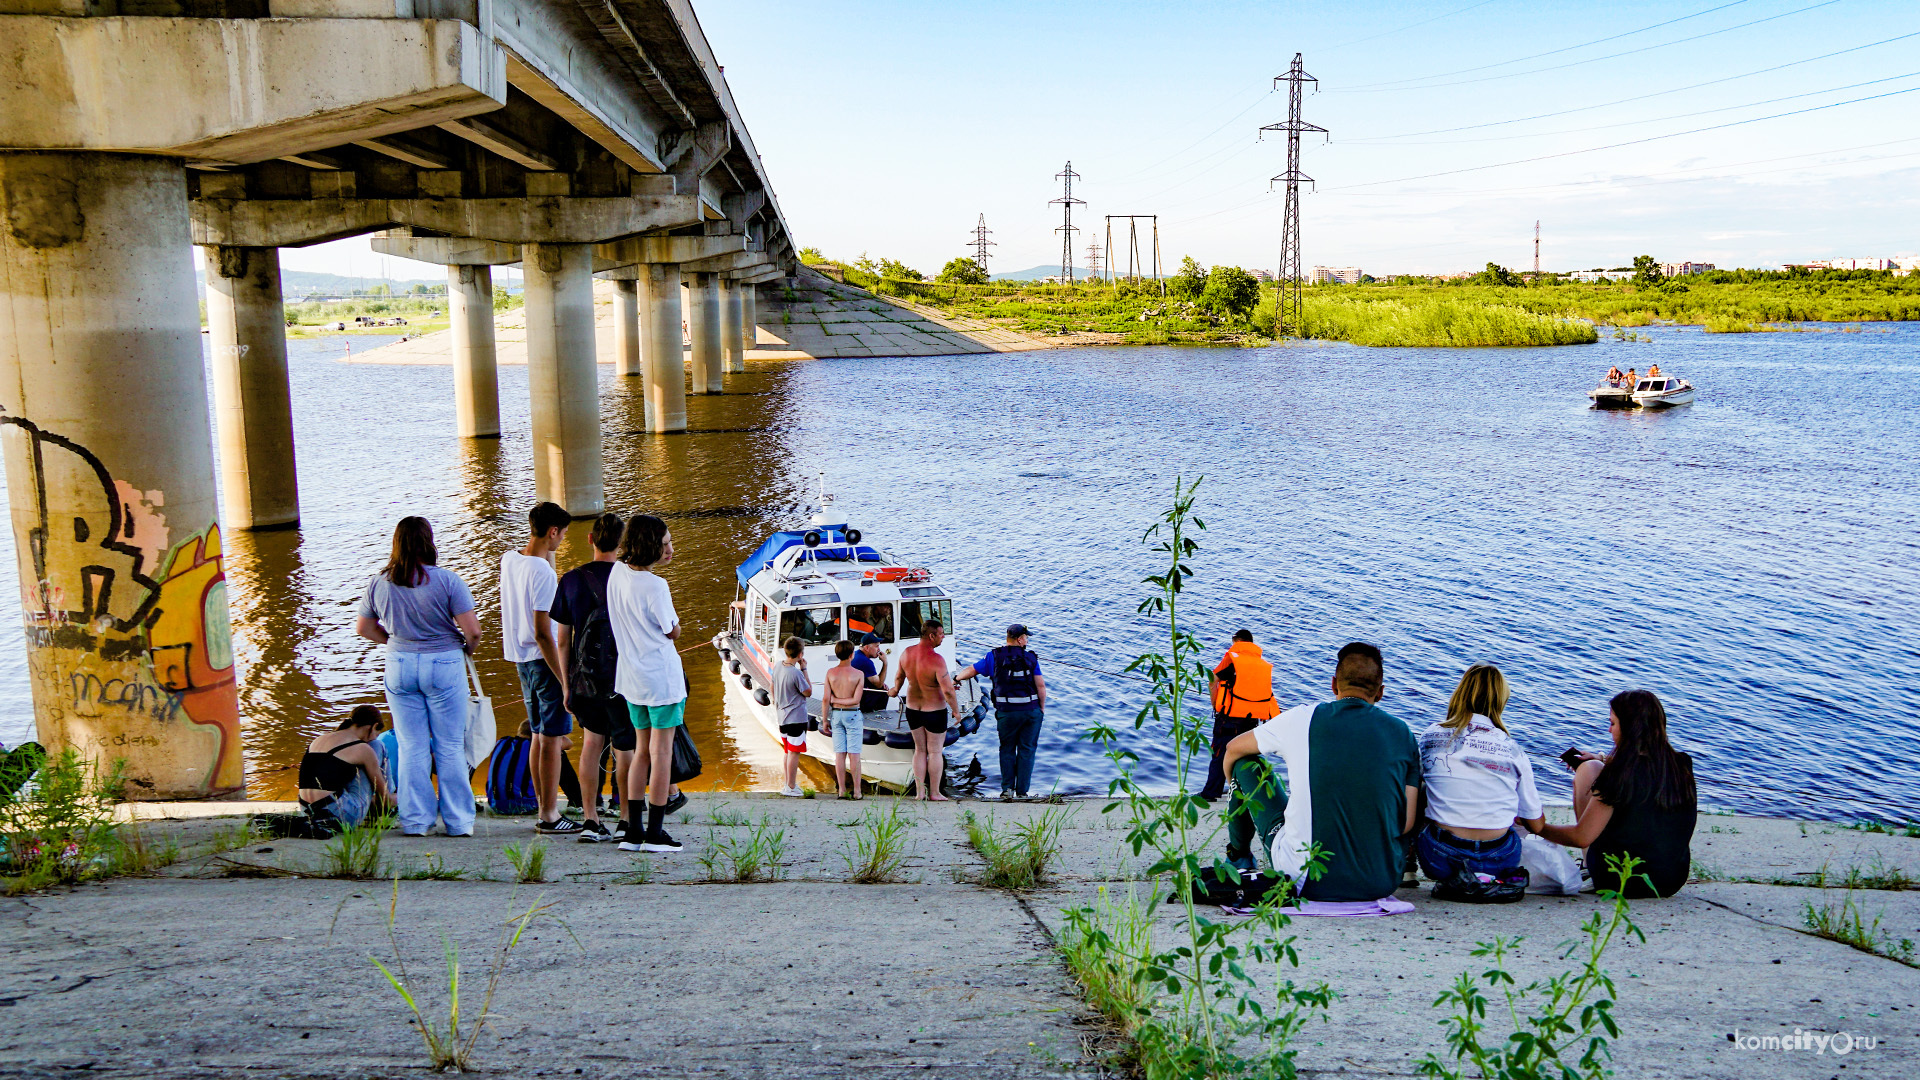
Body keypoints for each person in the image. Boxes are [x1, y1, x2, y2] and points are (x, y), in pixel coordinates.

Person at [1220, 642, 1422, 903]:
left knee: (1246, 765)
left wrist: (1239, 794)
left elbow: (1233, 749)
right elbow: (1405, 822)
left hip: (1304, 880)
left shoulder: (1303, 718)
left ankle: (1238, 855)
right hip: (1380, 882)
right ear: (1381, 692)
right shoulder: (1402, 732)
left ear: (1333, 684)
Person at [356, 516, 482, 837]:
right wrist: (465, 649)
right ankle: (458, 822)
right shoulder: (448, 581)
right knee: (450, 745)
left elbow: (364, 628)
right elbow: (474, 632)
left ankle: (415, 821)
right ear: (429, 541)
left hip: (399, 664)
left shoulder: (378, 582)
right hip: (443, 664)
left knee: (412, 746)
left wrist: (393, 642)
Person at [1524, 689, 1696, 898]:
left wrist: (1537, 827)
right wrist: (1601, 758)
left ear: (1630, 728)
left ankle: (1588, 865)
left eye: (1613, 723)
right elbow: (1645, 768)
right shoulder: (1683, 764)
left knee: (1587, 770)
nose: (1609, 730)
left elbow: (1581, 837)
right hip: (1670, 880)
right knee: (1593, 766)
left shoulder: (1619, 775)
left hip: (1619, 880)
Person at [1416, 665, 1544, 889]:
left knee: (1420, 789)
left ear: (1460, 693)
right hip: (1500, 861)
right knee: (1513, 811)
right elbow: (1536, 825)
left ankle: (1407, 869)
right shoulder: (1513, 748)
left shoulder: (1431, 735)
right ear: (1501, 700)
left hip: (1440, 859)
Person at [552, 512, 636, 842]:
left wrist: (566, 684)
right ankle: (627, 820)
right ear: (621, 544)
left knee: (591, 744)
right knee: (625, 748)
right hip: (624, 679)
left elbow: (562, 639)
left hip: (584, 680)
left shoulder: (571, 580)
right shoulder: (631, 578)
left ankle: (590, 820)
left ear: (590, 540)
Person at [500, 501, 582, 835]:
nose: (562, 540)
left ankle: (542, 806)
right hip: (543, 662)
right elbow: (542, 633)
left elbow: (543, 565)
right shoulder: (543, 575)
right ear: (552, 532)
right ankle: (549, 815)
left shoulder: (511, 559)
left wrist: (548, 553)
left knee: (536, 733)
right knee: (551, 738)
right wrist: (565, 679)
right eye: (562, 535)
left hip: (521, 660)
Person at [607, 514, 687, 853]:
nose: (670, 549)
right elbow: (671, 631)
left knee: (641, 752)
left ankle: (633, 830)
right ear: (650, 546)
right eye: (665, 543)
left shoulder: (616, 572)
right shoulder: (656, 585)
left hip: (631, 677)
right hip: (661, 679)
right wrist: (676, 625)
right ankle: (656, 833)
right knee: (662, 754)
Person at [955, 623, 1047, 799]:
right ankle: (1022, 792)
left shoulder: (993, 656)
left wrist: (956, 678)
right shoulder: (1031, 658)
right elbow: (1041, 686)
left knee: (1007, 749)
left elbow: (972, 670)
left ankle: (1007, 790)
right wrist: (1041, 709)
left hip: (1007, 712)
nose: (1027, 640)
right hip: (1030, 711)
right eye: (1026, 637)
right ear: (1020, 640)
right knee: (1027, 749)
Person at [1200, 630, 1279, 801]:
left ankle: (1210, 793)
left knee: (1220, 752)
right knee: (1244, 754)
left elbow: (1213, 680)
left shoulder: (1233, 659)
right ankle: (1244, 790)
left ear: (1237, 641)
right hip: (1252, 719)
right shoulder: (1262, 665)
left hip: (1229, 717)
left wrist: (1215, 704)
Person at [890, 617, 960, 801]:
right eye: (941, 634)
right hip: (934, 711)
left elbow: (899, 677)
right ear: (931, 636)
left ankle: (920, 793)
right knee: (935, 751)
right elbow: (948, 691)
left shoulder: (907, 653)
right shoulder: (937, 660)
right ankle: (935, 793)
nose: (943, 637)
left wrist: (895, 690)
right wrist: (956, 711)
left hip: (913, 709)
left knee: (920, 750)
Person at [298, 705, 396, 834]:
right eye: (376, 734)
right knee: (378, 746)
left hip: (306, 811)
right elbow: (386, 799)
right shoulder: (363, 749)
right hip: (339, 815)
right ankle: (390, 813)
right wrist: (403, 798)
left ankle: (378, 809)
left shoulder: (319, 740)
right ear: (373, 726)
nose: (374, 738)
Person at [823, 639, 865, 799]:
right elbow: (856, 700)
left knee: (839, 754)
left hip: (836, 715)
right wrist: (842, 701)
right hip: (853, 714)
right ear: (852, 655)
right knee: (854, 755)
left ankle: (841, 790)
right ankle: (857, 791)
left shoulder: (830, 673)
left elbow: (826, 699)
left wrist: (826, 718)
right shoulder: (858, 674)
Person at [772, 636, 812, 797]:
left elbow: (772, 685)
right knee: (794, 752)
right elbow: (808, 691)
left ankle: (787, 783)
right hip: (796, 717)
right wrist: (804, 669)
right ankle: (791, 786)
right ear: (800, 655)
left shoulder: (777, 666)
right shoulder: (795, 673)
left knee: (788, 751)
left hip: (782, 716)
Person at [851, 633, 890, 711]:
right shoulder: (865, 661)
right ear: (867, 647)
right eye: (877, 646)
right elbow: (879, 684)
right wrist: (885, 663)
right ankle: (876, 717)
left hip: (850, 695)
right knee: (883, 692)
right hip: (857, 700)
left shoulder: (856, 654)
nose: (879, 649)